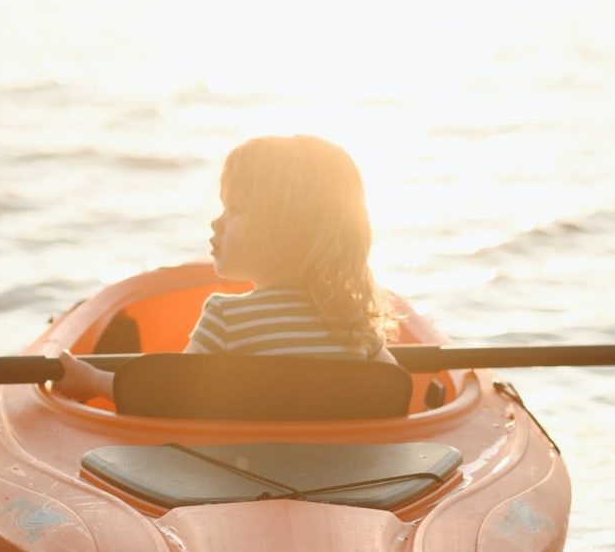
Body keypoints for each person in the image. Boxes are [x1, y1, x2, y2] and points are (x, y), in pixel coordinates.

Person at [53, 134, 391, 401]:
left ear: (282, 230)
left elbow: (167, 395)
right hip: (344, 477)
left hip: (241, 473)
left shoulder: (227, 318)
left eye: (235, 210)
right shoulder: (352, 321)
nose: (217, 223)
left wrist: (91, 380)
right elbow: (395, 390)